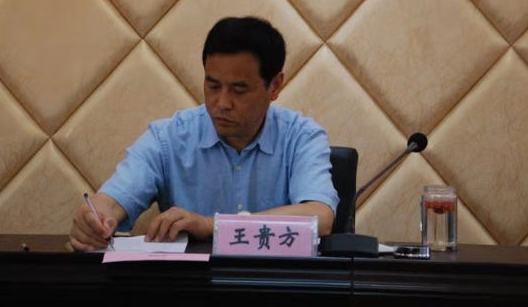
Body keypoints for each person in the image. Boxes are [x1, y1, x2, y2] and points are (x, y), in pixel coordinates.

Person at [69, 16, 339, 251]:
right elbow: (113, 201)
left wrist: (211, 225)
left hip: (275, 284)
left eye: (239, 90)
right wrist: (96, 219)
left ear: (275, 86)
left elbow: (320, 217)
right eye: (213, 86)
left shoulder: (301, 137)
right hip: (191, 285)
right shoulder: (168, 138)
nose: (222, 103)